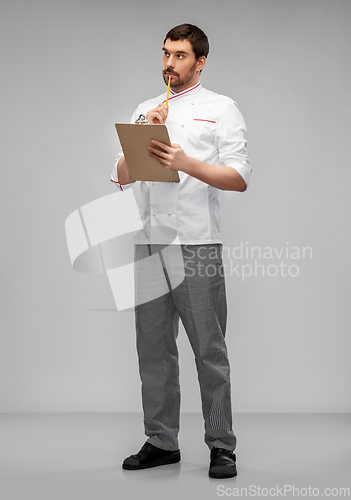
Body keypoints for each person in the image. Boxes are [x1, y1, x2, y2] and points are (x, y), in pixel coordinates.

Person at [110, 23, 251, 479]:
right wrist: (145, 132)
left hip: (197, 244)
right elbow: (122, 174)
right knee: (153, 350)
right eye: (166, 54)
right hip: (150, 243)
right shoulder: (146, 109)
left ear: (200, 61)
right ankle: (161, 440)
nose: (169, 63)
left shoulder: (221, 108)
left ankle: (221, 446)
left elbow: (239, 176)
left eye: (180, 55)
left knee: (208, 351)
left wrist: (184, 161)